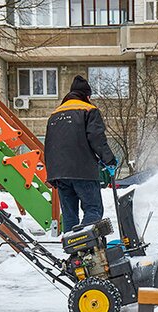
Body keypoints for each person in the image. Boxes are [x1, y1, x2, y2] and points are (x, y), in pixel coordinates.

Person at [44, 75, 117, 233]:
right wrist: (109, 159)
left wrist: (51, 173)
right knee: (93, 210)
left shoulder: (54, 114)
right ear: (87, 96)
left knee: (70, 216)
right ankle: (85, 248)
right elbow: (96, 138)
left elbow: (49, 144)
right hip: (82, 171)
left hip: (59, 173)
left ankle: (74, 254)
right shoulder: (89, 110)